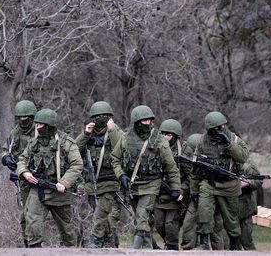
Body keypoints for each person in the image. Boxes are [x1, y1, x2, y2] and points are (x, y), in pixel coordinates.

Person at [111, 105, 181, 249]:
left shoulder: (159, 140)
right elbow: (115, 158)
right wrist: (121, 175)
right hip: (132, 184)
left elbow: (171, 167)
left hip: (152, 184)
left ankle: (134, 250)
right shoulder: (125, 138)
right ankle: (149, 250)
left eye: (149, 120)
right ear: (136, 122)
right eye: (144, 120)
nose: (147, 123)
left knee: (142, 216)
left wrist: (176, 188)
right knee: (142, 220)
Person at [17, 108, 83, 248]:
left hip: (58, 190)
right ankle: (34, 248)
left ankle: (71, 250)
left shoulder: (67, 142)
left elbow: (77, 164)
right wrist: (25, 173)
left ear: (48, 126)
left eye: (40, 124)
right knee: (32, 219)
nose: (37, 127)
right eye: (37, 124)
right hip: (38, 187)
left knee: (66, 228)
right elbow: (22, 159)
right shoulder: (34, 143)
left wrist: (64, 183)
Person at [191, 111, 249, 250]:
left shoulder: (234, 139)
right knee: (203, 211)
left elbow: (242, 157)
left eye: (220, 127)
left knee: (231, 218)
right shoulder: (202, 141)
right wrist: (194, 190)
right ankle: (204, 243)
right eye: (214, 129)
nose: (217, 131)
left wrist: (229, 143)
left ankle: (235, 244)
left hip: (230, 184)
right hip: (208, 183)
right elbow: (196, 168)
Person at [75, 101, 123, 248]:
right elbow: (75, 150)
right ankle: (110, 241)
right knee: (103, 217)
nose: (100, 118)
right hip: (92, 184)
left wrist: (112, 130)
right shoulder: (88, 134)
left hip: (110, 183)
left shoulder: (116, 131)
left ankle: (94, 242)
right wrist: (85, 134)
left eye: (104, 116)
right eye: (97, 116)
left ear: (109, 117)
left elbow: (121, 148)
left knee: (99, 216)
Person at [1, 99, 37, 247]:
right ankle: (28, 243)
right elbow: (5, 149)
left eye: (26, 118)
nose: (23, 121)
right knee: (23, 214)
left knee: (34, 213)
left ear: (32, 117)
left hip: (37, 177)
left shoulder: (39, 131)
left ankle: (36, 242)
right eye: (20, 118)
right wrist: (6, 158)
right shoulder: (15, 133)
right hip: (21, 179)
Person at [153, 119, 192, 250]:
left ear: (175, 136)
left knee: (171, 224)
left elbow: (191, 176)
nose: (165, 137)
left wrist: (182, 190)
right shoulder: (155, 146)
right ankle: (169, 244)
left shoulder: (184, 151)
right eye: (163, 134)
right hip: (159, 193)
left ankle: (172, 247)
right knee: (158, 223)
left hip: (175, 195)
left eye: (168, 135)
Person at [236, 157, 262, 250]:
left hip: (245, 207)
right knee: (229, 241)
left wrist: (247, 183)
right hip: (227, 206)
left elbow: (258, 180)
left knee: (246, 239)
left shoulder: (248, 164)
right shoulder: (222, 159)